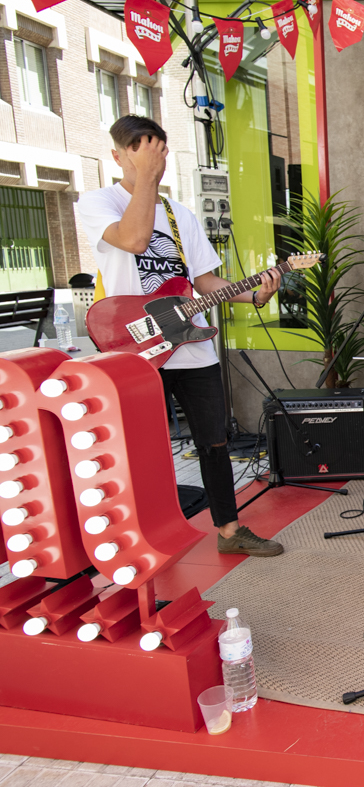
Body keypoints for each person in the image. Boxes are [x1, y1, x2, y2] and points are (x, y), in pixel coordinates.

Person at [75, 116, 284, 558]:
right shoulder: (98, 202)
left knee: (215, 441)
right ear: (117, 156)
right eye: (143, 153)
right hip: (132, 347)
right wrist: (146, 179)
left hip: (190, 347)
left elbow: (204, 283)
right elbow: (134, 239)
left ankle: (230, 531)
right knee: (138, 447)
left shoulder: (179, 214)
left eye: (161, 153)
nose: (156, 161)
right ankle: (139, 538)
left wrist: (255, 295)